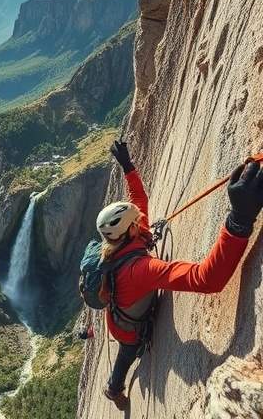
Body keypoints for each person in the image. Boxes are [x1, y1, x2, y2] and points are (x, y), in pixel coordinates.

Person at [97, 140, 263, 411]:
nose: (142, 220)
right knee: (127, 355)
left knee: (127, 350)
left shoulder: (115, 245)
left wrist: (128, 167)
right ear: (129, 231)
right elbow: (206, 279)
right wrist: (239, 220)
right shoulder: (141, 270)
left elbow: (139, 199)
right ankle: (113, 389)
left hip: (119, 310)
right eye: (136, 221)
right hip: (126, 329)